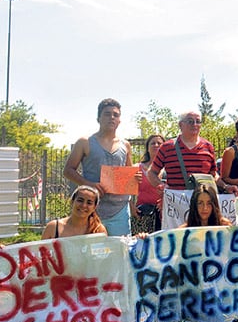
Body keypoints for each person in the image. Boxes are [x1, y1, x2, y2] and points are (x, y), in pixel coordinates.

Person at [63, 98, 138, 236]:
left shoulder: (125, 145)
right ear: (98, 118)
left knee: (119, 250)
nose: (112, 117)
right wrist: (90, 184)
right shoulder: (84, 142)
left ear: (120, 120)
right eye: (107, 114)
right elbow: (68, 170)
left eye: (116, 115)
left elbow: (128, 174)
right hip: (91, 208)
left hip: (120, 209)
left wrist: (135, 177)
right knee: (91, 251)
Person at [147, 111, 237, 195]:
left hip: (202, 205)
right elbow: (151, 173)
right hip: (176, 204)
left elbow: (213, 175)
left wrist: (225, 186)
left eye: (198, 121)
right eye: (190, 121)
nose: (195, 125)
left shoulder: (208, 147)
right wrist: (161, 185)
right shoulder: (167, 147)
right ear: (180, 125)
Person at [42, 185, 107, 239]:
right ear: (72, 202)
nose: (84, 205)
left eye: (89, 203)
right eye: (80, 200)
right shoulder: (53, 227)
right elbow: (40, 252)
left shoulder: (98, 230)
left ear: (94, 207)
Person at [132, 134, 164, 234]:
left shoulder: (170, 168)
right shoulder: (137, 168)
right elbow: (125, 191)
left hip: (164, 215)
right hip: (143, 215)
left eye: (159, 143)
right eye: (152, 143)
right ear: (147, 148)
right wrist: (131, 207)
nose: (156, 145)